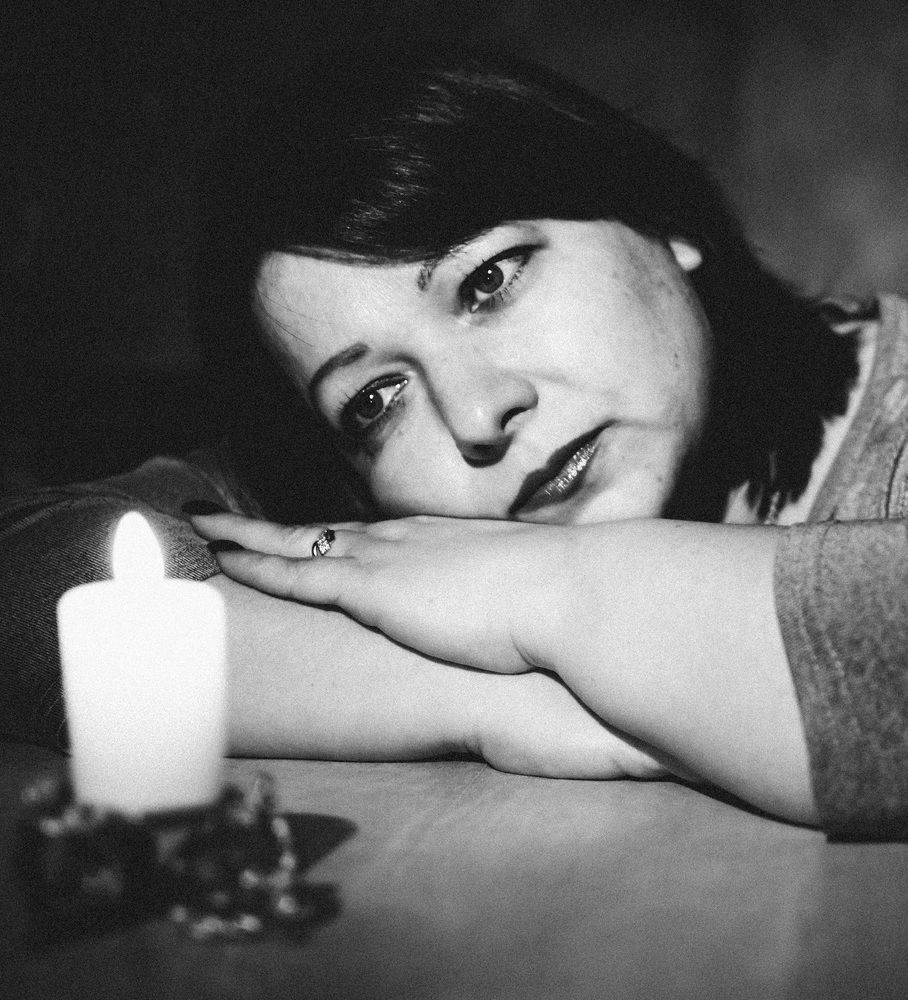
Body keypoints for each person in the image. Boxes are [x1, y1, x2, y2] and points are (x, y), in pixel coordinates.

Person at [2, 48, 905, 841]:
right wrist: (502, 695)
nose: (476, 414)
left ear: (661, 219)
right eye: (375, 401)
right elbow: (33, 569)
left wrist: (542, 595)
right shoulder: (352, 509)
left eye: (489, 280)